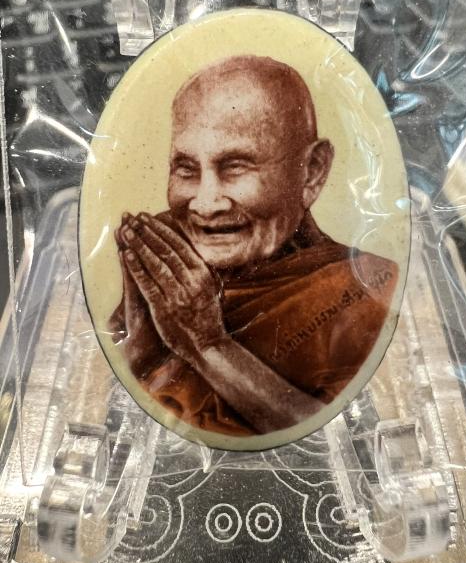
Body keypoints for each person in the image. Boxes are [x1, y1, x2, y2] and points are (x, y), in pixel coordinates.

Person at [109, 55, 398, 436]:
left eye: (235, 167)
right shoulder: (171, 259)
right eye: (186, 169)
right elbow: (123, 392)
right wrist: (142, 347)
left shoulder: (366, 291)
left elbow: (334, 432)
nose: (205, 204)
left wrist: (207, 344)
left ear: (311, 172)